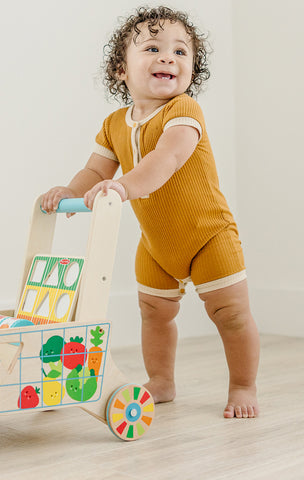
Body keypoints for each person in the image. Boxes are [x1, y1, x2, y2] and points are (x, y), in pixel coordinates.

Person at [40, 6, 260, 418]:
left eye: (181, 52)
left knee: (230, 314)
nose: (168, 58)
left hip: (209, 235)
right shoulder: (113, 125)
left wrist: (123, 187)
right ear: (121, 69)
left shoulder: (184, 111)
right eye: (154, 48)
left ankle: (243, 385)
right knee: (153, 313)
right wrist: (71, 191)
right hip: (157, 244)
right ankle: (161, 380)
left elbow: (168, 158)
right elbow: (96, 169)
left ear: (192, 69)